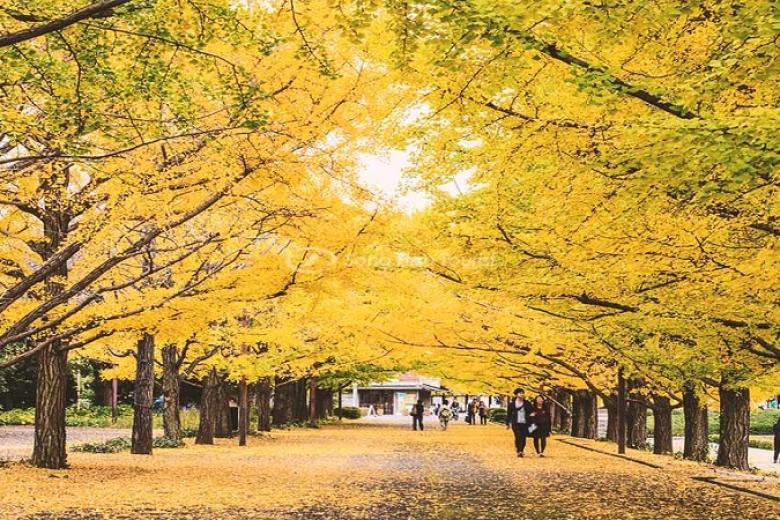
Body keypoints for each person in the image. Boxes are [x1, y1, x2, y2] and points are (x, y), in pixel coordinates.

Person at [506, 387, 533, 457]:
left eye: (522, 393)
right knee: (517, 436)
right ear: (516, 394)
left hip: (525, 423)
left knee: (523, 437)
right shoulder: (512, 404)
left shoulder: (527, 403)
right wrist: (507, 423)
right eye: (520, 393)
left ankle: (521, 450)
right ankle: (519, 450)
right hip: (515, 423)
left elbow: (531, 411)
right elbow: (509, 414)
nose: (522, 394)